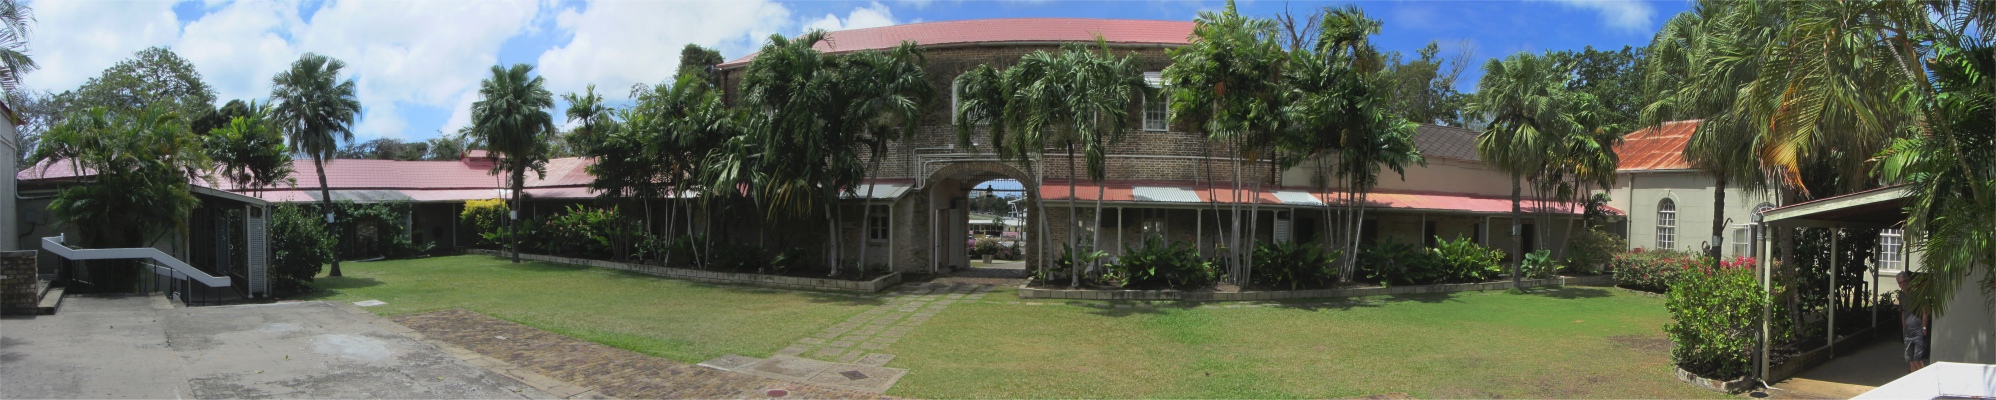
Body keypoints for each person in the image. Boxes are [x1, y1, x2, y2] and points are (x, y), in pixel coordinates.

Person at [1898, 271, 1931, 372]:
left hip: (1918, 331)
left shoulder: (1918, 293)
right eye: (1900, 283)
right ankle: (1913, 382)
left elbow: (1925, 311)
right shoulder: (1901, 295)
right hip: (1908, 332)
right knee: (1910, 360)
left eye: (1905, 281)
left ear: (1908, 281)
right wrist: (1903, 328)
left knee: (1918, 359)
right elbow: (1903, 312)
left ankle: (1924, 379)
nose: (1903, 284)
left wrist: (1924, 328)